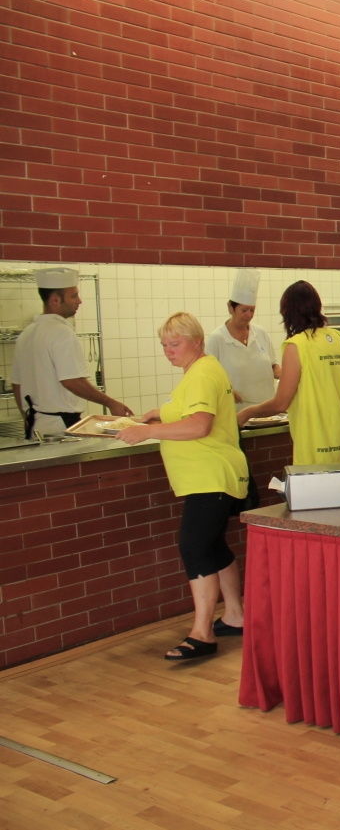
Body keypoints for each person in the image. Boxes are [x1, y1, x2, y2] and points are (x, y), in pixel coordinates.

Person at [116, 313, 248, 661]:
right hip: (208, 475)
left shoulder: (202, 372)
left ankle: (202, 634)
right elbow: (188, 412)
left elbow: (200, 425)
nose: (168, 351)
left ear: (197, 342)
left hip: (210, 474)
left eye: (175, 344)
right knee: (213, 546)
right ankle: (235, 616)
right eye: (164, 345)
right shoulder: (199, 371)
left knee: (194, 547)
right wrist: (158, 413)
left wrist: (147, 431)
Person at [237, 281, 340, 465]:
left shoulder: (297, 345)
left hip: (316, 446)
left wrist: (246, 413)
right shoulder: (339, 338)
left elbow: (281, 403)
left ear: (288, 312)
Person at [11, 267, 132, 437]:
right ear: (55, 300)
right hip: (59, 426)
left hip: (35, 425)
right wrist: (110, 402)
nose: (79, 301)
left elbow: (16, 384)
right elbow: (71, 381)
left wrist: (26, 416)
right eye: (74, 296)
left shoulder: (27, 333)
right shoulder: (61, 332)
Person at [205, 269, 281, 410]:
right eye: (244, 310)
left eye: (252, 310)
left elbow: (273, 365)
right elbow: (207, 376)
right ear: (230, 308)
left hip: (267, 409)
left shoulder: (260, 333)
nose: (248, 315)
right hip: (236, 412)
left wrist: (286, 375)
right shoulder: (218, 339)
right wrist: (226, 389)